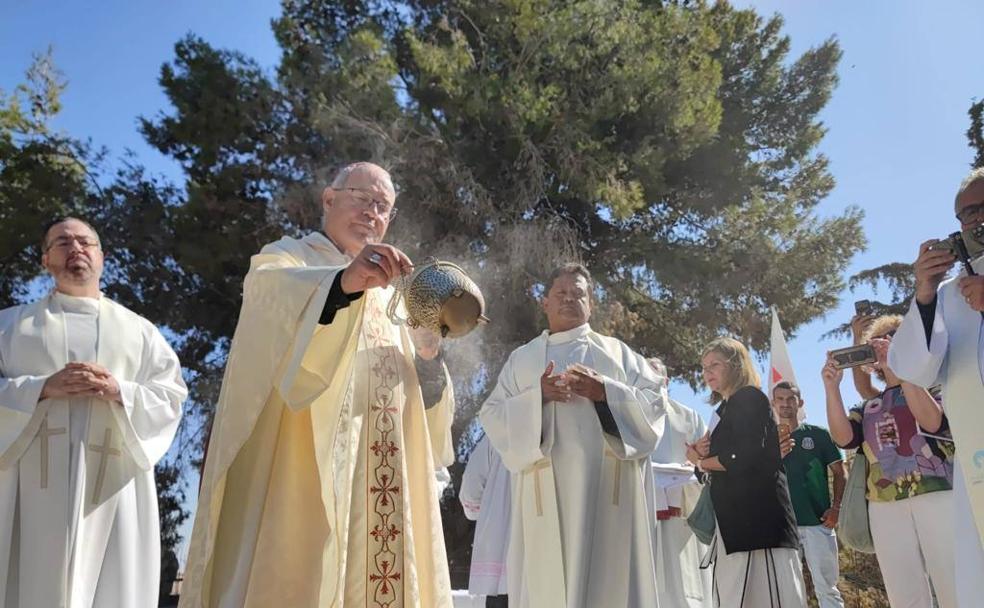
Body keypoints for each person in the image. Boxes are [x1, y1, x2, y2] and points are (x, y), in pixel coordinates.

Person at [180, 162, 457, 608]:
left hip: (381, 475)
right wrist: (344, 283)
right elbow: (268, 301)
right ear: (329, 199)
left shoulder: (395, 297)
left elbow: (423, 408)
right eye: (362, 198)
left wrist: (430, 355)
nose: (371, 213)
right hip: (304, 466)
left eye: (382, 207)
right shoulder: (288, 258)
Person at [0, 217, 186, 607]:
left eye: (86, 242)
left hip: (111, 484)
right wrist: (40, 388)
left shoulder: (140, 332)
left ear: (102, 256)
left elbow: (170, 396)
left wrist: (120, 391)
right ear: (45, 259)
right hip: (27, 485)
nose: (76, 249)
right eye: (63, 242)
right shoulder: (10, 327)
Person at [478, 263, 666, 608]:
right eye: (560, 293)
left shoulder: (618, 354)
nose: (569, 299)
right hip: (543, 499)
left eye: (578, 293)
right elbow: (492, 415)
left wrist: (606, 392)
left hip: (603, 496)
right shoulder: (522, 360)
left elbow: (655, 404)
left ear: (591, 303)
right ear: (545, 303)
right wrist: (536, 397)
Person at [888, 166, 984, 607]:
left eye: (982, 208)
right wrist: (924, 294)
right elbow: (913, 369)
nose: (975, 220)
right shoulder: (948, 295)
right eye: (966, 214)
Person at [823, 314, 956, 608]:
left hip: (937, 492)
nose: (887, 343)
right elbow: (844, 438)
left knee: (953, 579)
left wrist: (902, 368)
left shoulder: (935, 389)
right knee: (903, 591)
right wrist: (831, 388)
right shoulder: (868, 406)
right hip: (883, 504)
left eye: (895, 337)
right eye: (881, 341)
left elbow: (932, 422)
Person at [687, 337, 805, 608]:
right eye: (704, 367)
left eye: (715, 364)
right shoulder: (722, 410)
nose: (707, 372)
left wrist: (702, 462)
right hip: (736, 528)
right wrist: (700, 458)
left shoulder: (749, 397)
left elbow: (743, 456)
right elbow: (717, 469)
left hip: (759, 527)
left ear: (735, 365)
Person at [771, 381, 845, 608]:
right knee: (786, 592)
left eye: (790, 399)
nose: (785, 404)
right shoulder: (766, 440)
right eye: (780, 399)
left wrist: (836, 508)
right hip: (782, 526)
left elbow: (840, 473)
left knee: (827, 590)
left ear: (800, 402)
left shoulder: (818, 434)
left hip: (818, 522)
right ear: (773, 403)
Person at [647, 358, 712, 608]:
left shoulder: (688, 417)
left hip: (682, 510)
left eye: (656, 377)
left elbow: (704, 457)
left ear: (666, 381)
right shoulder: (630, 416)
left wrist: (695, 460)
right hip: (644, 508)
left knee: (684, 576)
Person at [459, 434, 510, 608]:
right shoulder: (561, 427)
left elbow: (470, 491)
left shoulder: (498, 434)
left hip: (502, 566)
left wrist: (491, 511)